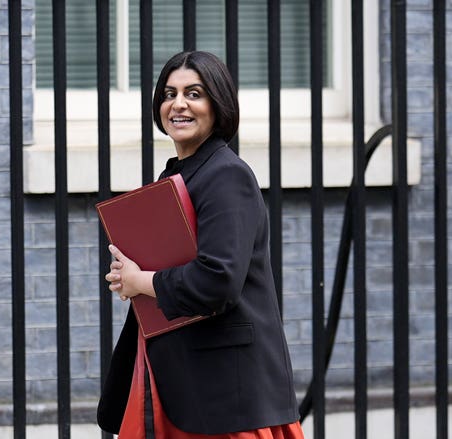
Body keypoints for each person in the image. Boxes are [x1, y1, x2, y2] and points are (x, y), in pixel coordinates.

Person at [97, 51, 304, 439]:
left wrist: (142, 281)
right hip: (187, 384)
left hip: (225, 397)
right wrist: (129, 274)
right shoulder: (181, 175)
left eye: (194, 93)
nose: (178, 104)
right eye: (169, 93)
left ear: (218, 104)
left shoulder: (227, 176)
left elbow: (217, 280)